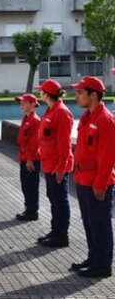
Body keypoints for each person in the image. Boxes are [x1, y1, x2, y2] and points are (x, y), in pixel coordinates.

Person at [70, 76, 115, 278]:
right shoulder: (88, 117)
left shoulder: (105, 120)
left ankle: (103, 265)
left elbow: (108, 156)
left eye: (80, 92)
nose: (76, 96)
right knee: (89, 222)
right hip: (83, 179)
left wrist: (100, 184)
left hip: (96, 182)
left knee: (100, 223)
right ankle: (94, 257)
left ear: (93, 95)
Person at [36, 78, 73, 248]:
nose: (39, 93)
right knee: (53, 198)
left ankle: (61, 235)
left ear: (47, 94)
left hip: (57, 165)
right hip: (49, 163)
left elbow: (65, 143)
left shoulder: (61, 113)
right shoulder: (51, 110)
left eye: (41, 91)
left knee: (59, 200)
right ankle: (55, 230)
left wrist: (61, 167)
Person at [15, 93, 41, 221]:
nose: (22, 105)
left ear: (32, 104)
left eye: (24, 102)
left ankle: (32, 211)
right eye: (21, 102)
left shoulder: (34, 120)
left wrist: (30, 158)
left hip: (31, 159)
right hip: (25, 157)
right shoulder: (26, 118)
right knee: (25, 185)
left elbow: (35, 141)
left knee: (31, 186)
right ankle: (28, 208)